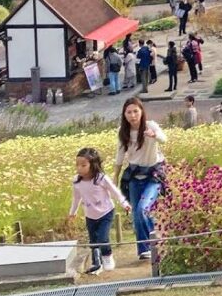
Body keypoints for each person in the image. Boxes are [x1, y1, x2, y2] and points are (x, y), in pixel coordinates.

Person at [112, 98, 166, 260]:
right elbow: (119, 156)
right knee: (137, 214)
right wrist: (115, 178)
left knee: (143, 208)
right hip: (134, 176)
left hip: (154, 176)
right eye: (129, 112)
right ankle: (145, 248)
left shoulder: (151, 126)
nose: (132, 115)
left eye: (136, 111)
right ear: (124, 114)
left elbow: (164, 139)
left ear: (142, 112)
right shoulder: (123, 131)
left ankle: (151, 244)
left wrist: (154, 135)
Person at [69, 147, 130, 275]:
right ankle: (96, 262)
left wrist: (124, 203)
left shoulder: (101, 179)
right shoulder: (76, 181)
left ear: (93, 165)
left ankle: (107, 257)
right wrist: (72, 212)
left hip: (105, 212)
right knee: (93, 240)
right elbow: (76, 198)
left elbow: (114, 191)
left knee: (102, 237)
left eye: (83, 165)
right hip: (90, 214)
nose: (79, 168)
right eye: (77, 165)